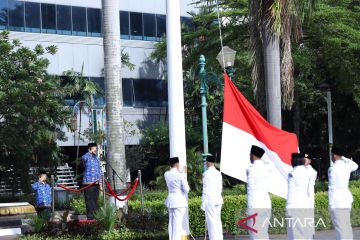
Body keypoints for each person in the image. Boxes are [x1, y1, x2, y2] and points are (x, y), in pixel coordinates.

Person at [328, 146, 358, 240]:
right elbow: (355, 165)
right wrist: (343, 157)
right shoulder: (346, 166)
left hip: (337, 201)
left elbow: (332, 187)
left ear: (334, 155)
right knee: (347, 226)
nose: (331, 156)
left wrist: (331, 204)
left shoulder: (332, 169)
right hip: (346, 200)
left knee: (340, 229)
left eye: (332, 154)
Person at [286, 153, 315, 240]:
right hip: (306, 206)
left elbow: (291, 193)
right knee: (306, 234)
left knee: (296, 235)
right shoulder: (309, 172)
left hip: (295, 207)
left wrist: (288, 208)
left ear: (293, 161)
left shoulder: (293, 173)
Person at [246, 145, 271, 240]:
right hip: (266, 204)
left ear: (253, 155)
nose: (249, 157)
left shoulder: (250, 170)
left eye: (250, 155)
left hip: (255, 205)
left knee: (255, 234)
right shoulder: (266, 168)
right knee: (264, 233)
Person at [164, 157, 190, 240]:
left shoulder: (166, 174)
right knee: (177, 225)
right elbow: (186, 189)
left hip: (170, 199)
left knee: (171, 224)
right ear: (177, 164)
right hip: (179, 201)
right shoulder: (180, 175)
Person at [201, 155, 223, 240]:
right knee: (217, 221)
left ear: (208, 162)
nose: (206, 163)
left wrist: (203, 203)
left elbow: (205, 190)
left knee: (211, 223)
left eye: (206, 162)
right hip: (218, 199)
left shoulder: (206, 174)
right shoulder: (218, 173)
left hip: (210, 200)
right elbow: (220, 188)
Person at [82, 142, 102, 220]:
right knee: (89, 200)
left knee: (94, 200)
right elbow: (83, 158)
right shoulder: (86, 157)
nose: (95, 150)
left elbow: (99, 170)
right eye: (94, 148)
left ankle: (94, 216)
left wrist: (100, 183)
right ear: (90, 149)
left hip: (96, 183)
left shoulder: (96, 158)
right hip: (88, 182)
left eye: (96, 148)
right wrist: (89, 152)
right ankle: (90, 217)